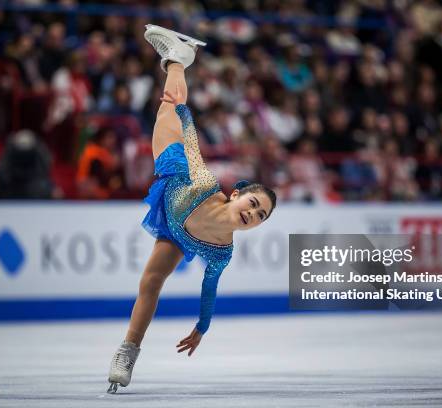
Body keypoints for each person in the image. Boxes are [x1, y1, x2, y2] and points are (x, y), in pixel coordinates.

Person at [107, 25, 277, 394]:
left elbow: (208, 291)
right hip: (177, 168)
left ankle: (126, 353)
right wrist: (183, 113)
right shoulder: (204, 185)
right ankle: (178, 60)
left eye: (260, 216)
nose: (254, 214)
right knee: (169, 104)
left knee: (151, 283)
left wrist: (202, 327)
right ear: (236, 196)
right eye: (254, 204)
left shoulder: (222, 251)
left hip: (176, 228)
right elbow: (193, 147)